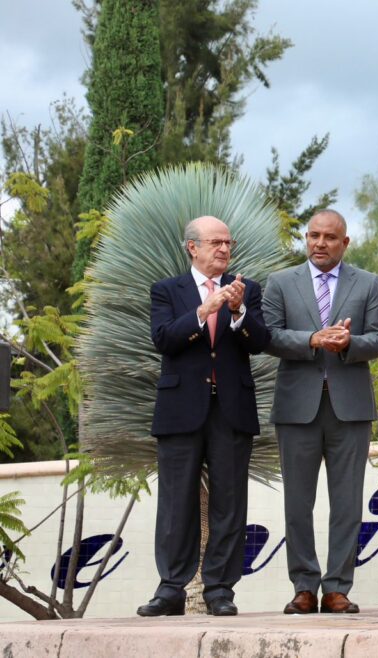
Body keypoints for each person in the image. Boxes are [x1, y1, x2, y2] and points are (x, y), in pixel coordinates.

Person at [138, 215, 270, 617]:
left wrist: (237, 313)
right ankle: (171, 588)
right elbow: (164, 340)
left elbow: (261, 342)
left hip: (231, 408)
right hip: (181, 409)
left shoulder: (247, 290)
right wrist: (204, 310)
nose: (224, 249)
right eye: (215, 242)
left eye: (228, 242)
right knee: (177, 501)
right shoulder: (167, 290)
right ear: (191, 247)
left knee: (229, 502)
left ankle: (220, 589)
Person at [263, 209, 378, 615]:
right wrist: (313, 339)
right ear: (306, 238)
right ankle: (303, 585)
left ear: (345, 243)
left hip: (349, 408)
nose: (320, 243)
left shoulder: (367, 283)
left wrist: (349, 343)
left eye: (330, 237)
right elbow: (270, 336)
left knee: (348, 503)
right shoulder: (281, 282)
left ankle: (337, 588)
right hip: (297, 408)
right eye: (313, 235)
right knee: (298, 503)